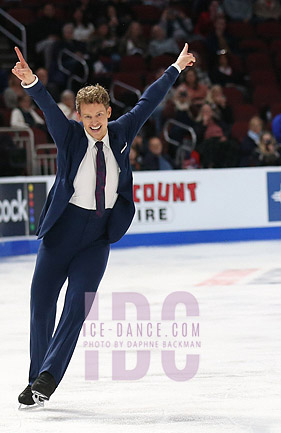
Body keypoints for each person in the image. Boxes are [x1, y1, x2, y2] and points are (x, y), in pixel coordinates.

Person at [12, 44, 195, 407]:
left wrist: (176, 67)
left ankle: (48, 378)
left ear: (108, 112)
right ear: (79, 116)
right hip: (61, 231)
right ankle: (36, 377)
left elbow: (149, 100)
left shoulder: (123, 131)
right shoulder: (69, 137)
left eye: (100, 114)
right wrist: (31, 81)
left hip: (97, 237)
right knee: (41, 304)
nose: (94, 122)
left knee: (77, 305)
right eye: (87, 116)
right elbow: (48, 108)